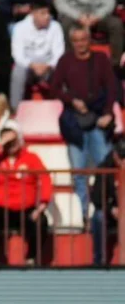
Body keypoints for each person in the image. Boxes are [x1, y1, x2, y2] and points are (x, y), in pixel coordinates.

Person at [52, 26, 117, 215]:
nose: (80, 44)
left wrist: (108, 114)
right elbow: (54, 88)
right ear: (72, 42)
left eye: (84, 39)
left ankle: (102, 212)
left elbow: (112, 88)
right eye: (76, 40)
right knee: (78, 172)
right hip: (74, 122)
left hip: (98, 119)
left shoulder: (101, 59)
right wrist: (71, 100)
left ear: (90, 40)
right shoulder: (65, 61)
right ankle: (83, 214)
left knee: (104, 169)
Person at [0, 127, 53, 264]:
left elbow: (45, 178)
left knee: (41, 221)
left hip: (26, 208)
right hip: (0, 207)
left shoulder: (31, 158)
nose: (12, 144)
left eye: (14, 140)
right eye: (8, 141)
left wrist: (42, 204)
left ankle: (31, 258)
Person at [9, 4, 64, 108]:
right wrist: (32, 65)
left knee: (62, 68)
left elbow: (59, 53)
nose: (47, 16)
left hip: (48, 67)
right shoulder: (20, 27)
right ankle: (15, 110)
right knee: (17, 70)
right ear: (33, 14)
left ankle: (62, 108)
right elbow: (17, 54)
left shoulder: (56, 26)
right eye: (43, 13)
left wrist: (48, 66)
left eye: (48, 13)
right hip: (28, 66)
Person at [89, 138, 125, 265]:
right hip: (110, 214)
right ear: (115, 154)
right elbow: (96, 197)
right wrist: (111, 209)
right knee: (98, 217)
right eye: (121, 157)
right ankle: (99, 260)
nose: (123, 161)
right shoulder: (104, 168)